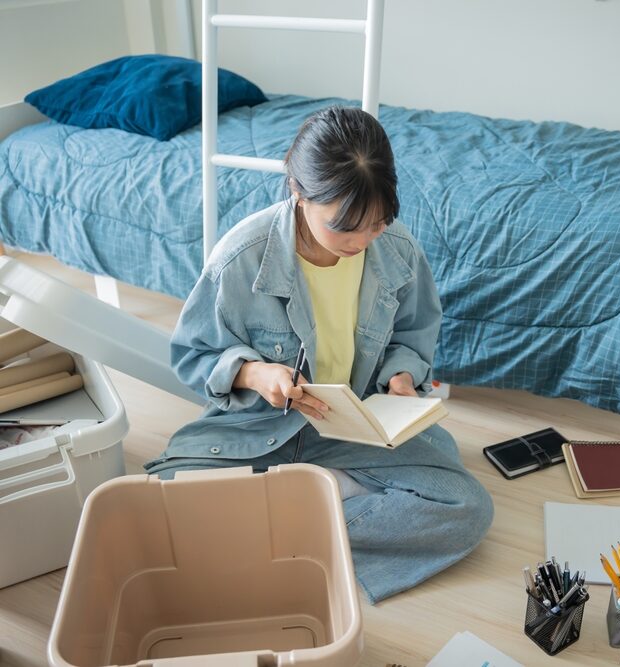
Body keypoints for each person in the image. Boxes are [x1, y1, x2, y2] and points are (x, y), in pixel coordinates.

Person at [144, 106, 493, 604]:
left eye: (376, 223)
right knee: (163, 498)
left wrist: (401, 379)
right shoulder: (242, 258)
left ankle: (288, 522)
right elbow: (193, 355)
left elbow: (414, 336)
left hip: (353, 425)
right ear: (297, 192)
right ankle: (332, 496)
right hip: (260, 429)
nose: (359, 241)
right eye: (342, 226)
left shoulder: (397, 250)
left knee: (467, 507)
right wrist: (252, 373)